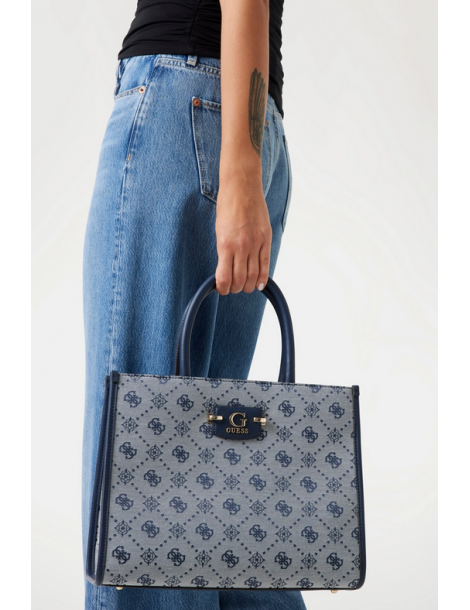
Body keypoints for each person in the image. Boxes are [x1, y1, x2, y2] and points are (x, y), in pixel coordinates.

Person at [81, 1, 299, 608]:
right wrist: (247, 164)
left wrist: (240, 171)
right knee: (212, 481)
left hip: (192, 117)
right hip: (243, 122)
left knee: (140, 473)